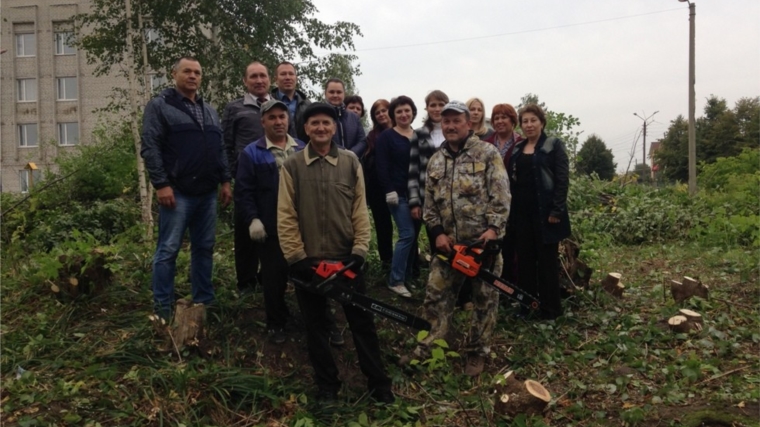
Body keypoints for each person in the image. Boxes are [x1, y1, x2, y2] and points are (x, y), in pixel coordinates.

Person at [277, 102, 394, 404]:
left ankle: (378, 383)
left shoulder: (350, 161)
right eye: (314, 123)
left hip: (347, 259)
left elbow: (360, 210)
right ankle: (327, 386)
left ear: (333, 128)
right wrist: (297, 258)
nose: (320, 128)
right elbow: (286, 215)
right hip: (309, 261)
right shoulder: (292, 166)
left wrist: (359, 251)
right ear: (304, 129)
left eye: (326, 123)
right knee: (316, 328)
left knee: (362, 325)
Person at [403, 100, 511, 377]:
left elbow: (501, 195)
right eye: (446, 121)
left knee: (485, 300)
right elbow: (430, 203)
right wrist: (437, 233)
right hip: (447, 247)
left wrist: (493, 230)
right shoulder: (436, 160)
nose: (450, 126)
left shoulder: (487, 153)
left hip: (481, 246)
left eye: (456, 121)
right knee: (436, 296)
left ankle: (477, 352)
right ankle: (427, 347)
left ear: (469, 123)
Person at [141, 56, 232, 319]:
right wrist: (161, 184)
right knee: (168, 250)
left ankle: (204, 302)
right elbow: (150, 146)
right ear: (174, 74)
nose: (193, 76)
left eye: (197, 72)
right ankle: (163, 309)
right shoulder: (160, 106)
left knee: (204, 248)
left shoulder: (209, 110)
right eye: (187, 71)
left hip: (207, 193)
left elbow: (220, 149)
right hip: (176, 192)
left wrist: (225, 181)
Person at [234, 100, 305, 344]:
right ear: (262, 122)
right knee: (273, 279)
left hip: (302, 227)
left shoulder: (303, 149)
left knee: (307, 275)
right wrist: (253, 220)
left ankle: (314, 319)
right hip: (271, 228)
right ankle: (276, 323)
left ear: (288, 120)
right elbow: (244, 192)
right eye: (272, 117)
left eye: (282, 117)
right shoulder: (252, 153)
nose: (278, 122)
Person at [508, 104, 571, 320]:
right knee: (524, 262)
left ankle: (550, 310)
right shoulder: (518, 148)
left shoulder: (553, 145)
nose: (529, 125)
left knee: (546, 264)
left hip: (546, 215)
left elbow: (562, 180)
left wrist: (556, 210)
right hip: (522, 215)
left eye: (533, 120)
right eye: (525, 121)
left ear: (542, 122)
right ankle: (527, 306)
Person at [222, 61, 271, 295]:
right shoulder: (235, 108)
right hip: (246, 182)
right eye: (253, 76)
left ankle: (269, 277)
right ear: (245, 81)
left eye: (263, 75)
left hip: (274, 180)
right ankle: (246, 283)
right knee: (245, 234)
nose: (259, 80)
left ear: (269, 79)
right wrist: (234, 174)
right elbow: (226, 144)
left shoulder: (276, 107)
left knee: (272, 230)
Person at [375, 96, 420, 298]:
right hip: (398, 194)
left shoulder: (417, 136)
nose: (403, 114)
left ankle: (408, 277)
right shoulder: (386, 137)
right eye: (399, 111)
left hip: (417, 195)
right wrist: (389, 190)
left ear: (413, 113)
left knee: (414, 237)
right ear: (393, 114)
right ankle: (395, 280)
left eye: (407, 110)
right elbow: (381, 166)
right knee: (407, 234)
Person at [484, 103, 524, 285]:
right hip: (490, 200)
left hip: (515, 201)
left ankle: (511, 285)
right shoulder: (486, 144)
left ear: (512, 120)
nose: (500, 121)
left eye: (504, 117)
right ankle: (492, 283)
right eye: (496, 118)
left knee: (513, 245)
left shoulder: (521, 143)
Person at [362, 99, 393, 268]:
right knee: (383, 226)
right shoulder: (372, 136)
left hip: (399, 185)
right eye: (377, 112)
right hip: (376, 187)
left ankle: (409, 263)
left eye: (384, 110)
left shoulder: (402, 131)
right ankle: (386, 262)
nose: (381, 114)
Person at [324, 78, 367, 157]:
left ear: (344, 94)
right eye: (331, 92)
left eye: (339, 92)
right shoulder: (320, 115)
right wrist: (344, 153)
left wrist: (352, 153)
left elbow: (362, 141)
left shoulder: (354, 117)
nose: (335, 95)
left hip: (353, 162)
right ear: (325, 93)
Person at [270, 61, 312, 142]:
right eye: (283, 74)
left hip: (303, 151)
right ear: (276, 79)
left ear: (296, 78)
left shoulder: (307, 104)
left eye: (291, 74)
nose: (288, 77)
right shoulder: (269, 103)